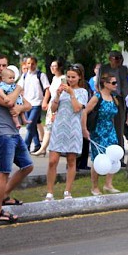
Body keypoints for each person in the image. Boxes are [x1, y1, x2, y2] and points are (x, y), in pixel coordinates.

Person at [0, 53, 33, 223]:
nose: (1, 68)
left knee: (27, 166)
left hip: (14, 133)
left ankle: (4, 196)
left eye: (4, 65)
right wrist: (19, 89)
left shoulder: (9, 84)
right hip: (2, 135)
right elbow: (9, 103)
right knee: (3, 173)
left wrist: (20, 109)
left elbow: (28, 105)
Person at [44, 65, 89, 201]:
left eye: (73, 77)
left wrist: (71, 94)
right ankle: (50, 193)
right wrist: (57, 95)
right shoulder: (62, 90)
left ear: (79, 77)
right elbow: (53, 108)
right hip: (59, 127)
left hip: (73, 128)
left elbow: (77, 109)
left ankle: (67, 191)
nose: (70, 79)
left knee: (71, 160)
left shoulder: (83, 92)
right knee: (52, 161)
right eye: (68, 77)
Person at [84, 73, 122, 195]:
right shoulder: (97, 97)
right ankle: (94, 186)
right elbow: (85, 112)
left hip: (110, 130)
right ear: (105, 84)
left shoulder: (114, 97)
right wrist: (84, 129)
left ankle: (108, 184)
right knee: (98, 158)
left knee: (113, 157)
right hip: (98, 131)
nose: (116, 85)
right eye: (113, 83)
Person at [33, 57, 65, 156]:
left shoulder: (63, 78)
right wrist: (46, 102)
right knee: (49, 127)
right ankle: (44, 148)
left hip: (59, 105)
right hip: (52, 105)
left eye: (54, 66)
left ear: (59, 67)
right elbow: (50, 91)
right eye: (51, 66)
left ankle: (46, 148)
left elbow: (64, 91)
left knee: (52, 128)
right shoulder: (54, 78)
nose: (52, 68)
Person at [99, 51, 128, 152]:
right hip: (107, 97)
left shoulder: (124, 69)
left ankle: (119, 154)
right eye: (116, 58)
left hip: (120, 100)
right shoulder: (104, 68)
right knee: (106, 125)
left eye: (120, 58)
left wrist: (127, 101)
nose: (118, 61)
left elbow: (126, 85)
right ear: (110, 58)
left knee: (119, 127)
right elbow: (99, 83)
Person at [21, 55, 50, 153]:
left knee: (29, 125)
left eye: (33, 63)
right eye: (29, 63)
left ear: (36, 64)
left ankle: (25, 146)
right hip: (27, 104)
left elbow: (47, 89)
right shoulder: (24, 76)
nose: (31, 65)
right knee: (32, 125)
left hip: (37, 103)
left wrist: (45, 101)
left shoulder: (40, 75)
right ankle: (37, 145)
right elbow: (19, 88)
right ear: (26, 64)